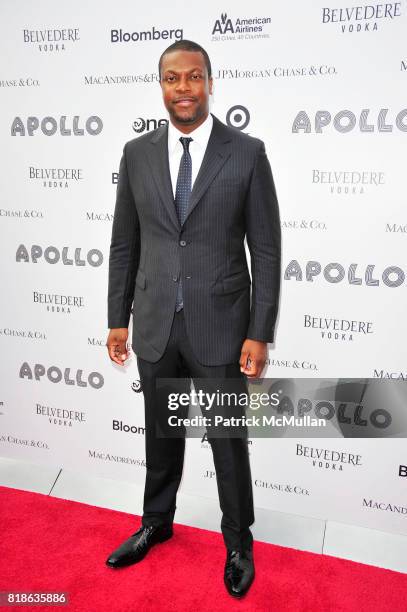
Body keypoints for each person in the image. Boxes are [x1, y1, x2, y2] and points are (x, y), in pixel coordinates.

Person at [105, 39, 281, 598]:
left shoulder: (246, 152)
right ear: (161, 86)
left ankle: (238, 542)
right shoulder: (136, 153)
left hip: (222, 326)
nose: (183, 88)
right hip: (157, 321)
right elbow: (124, 244)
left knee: (227, 439)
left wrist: (258, 331)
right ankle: (156, 522)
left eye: (194, 77)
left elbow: (267, 251)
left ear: (210, 81)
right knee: (162, 433)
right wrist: (118, 319)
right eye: (172, 78)